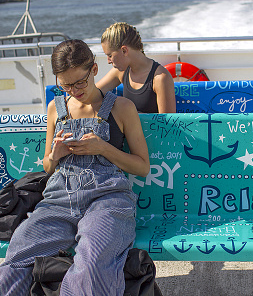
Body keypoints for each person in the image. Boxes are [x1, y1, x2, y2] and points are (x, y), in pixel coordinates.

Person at [0, 39, 150, 295]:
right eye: (66, 85)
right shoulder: (55, 109)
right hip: (58, 200)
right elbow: (47, 167)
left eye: (80, 82)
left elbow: (142, 167)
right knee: (17, 258)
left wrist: (104, 149)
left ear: (93, 69)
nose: (74, 90)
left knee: (92, 265)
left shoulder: (122, 107)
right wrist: (55, 155)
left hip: (108, 199)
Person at [97, 22, 176, 113]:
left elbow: (167, 124)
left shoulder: (160, 78)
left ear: (124, 50)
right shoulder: (120, 72)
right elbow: (93, 93)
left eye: (110, 55)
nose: (108, 61)